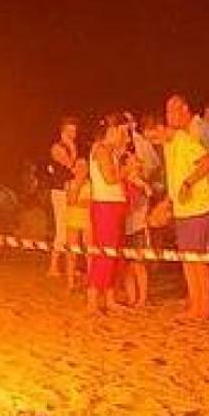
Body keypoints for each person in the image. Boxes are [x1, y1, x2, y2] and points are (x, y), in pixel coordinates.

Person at [159, 95, 209, 320]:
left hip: (198, 206)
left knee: (197, 259)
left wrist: (188, 182)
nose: (169, 116)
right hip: (184, 208)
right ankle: (196, 305)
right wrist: (169, 201)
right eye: (167, 112)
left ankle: (203, 307)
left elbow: (208, 162)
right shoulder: (173, 142)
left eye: (173, 110)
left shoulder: (185, 138)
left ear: (185, 110)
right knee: (188, 259)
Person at [87, 114, 130, 313]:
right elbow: (110, 178)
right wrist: (127, 171)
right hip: (106, 206)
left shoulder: (109, 151)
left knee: (114, 255)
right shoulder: (102, 150)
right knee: (104, 253)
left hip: (113, 204)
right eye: (121, 132)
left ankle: (110, 297)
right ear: (112, 131)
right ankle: (93, 299)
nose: (124, 136)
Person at [46, 118, 78, 278]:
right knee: (61, 229)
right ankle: (53, 266)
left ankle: (69, 265)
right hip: (59, 191)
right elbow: (71, 166)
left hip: (70, 191)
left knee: (70, 228)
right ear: (62, 132)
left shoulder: (71, 147)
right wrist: (72, 148)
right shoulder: (57, 148)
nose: (73, 134)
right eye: (70, 131)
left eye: (74, 131)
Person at [121, 150, 153, 306]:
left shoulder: (141, 182)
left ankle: (142, 298)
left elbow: (149, 193)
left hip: (139, 226)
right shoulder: (122, 181)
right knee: (127, 266)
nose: (135, 164)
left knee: (138, 264)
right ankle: (131, 297)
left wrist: (139, 183)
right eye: (132, 161)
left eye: (136, 161)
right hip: (126, 227)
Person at [64, 158, 92, 291]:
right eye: (79, 166)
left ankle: (91, 282)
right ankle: (70, 282)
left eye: (84, 166)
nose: (81, 169)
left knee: (89, 252)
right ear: (73, 169)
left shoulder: (92, 185)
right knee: (71, 252)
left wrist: (82, 201)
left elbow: (89, 203)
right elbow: (72, 201)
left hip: (87, 221)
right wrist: (79, 185)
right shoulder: (69, 184)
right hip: (73, 220)